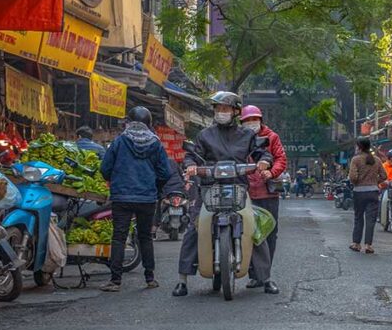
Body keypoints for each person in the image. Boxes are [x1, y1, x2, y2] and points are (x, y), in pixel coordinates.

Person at [173, 91, 277, 297]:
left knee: (254, 227)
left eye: (225, 109)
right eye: (218, 109)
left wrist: (264, 161)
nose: (221, 112)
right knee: (195, 227)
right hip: (209, 189)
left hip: (238, 188)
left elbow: (262, 152)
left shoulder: (247, 135)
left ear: (236, 111)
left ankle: (266, 278)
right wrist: (192, 165)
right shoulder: (204, 135)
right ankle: (182, 280)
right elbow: (191, 156)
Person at [99, 106, 172, 292]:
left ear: (128, 123)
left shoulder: (120, 141)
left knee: (119, 237)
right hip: (147, 197)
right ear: (148, 124)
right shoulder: (155, 143)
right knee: (145, 237)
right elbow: (165, 172)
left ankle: (115, 281)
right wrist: (155, 187)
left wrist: (114, 179)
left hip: (122, 196)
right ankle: (150, 278)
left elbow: (105, 168)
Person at [240, 104, 288, 288]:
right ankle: (254, 274)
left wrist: (272, 172)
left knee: (268, 234)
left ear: (260, 120)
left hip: (267, 193)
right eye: (247, 120)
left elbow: (281, 159)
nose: (251, 123)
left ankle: (265, 275)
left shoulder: (272, 137)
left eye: (254, 119)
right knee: (249, 233)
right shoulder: (239, 138)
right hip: (245, 192)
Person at [348, 137, 387, 254]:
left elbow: (353, 177)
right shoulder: (377, 160)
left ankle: (356, 244)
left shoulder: (356, 160)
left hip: (359, 192)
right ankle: (368, 245)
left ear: (359, 147)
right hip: (373, 192)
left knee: (358, 218)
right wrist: (375, 182)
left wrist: (357, 183)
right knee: (371, 220)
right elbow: (384, 176)